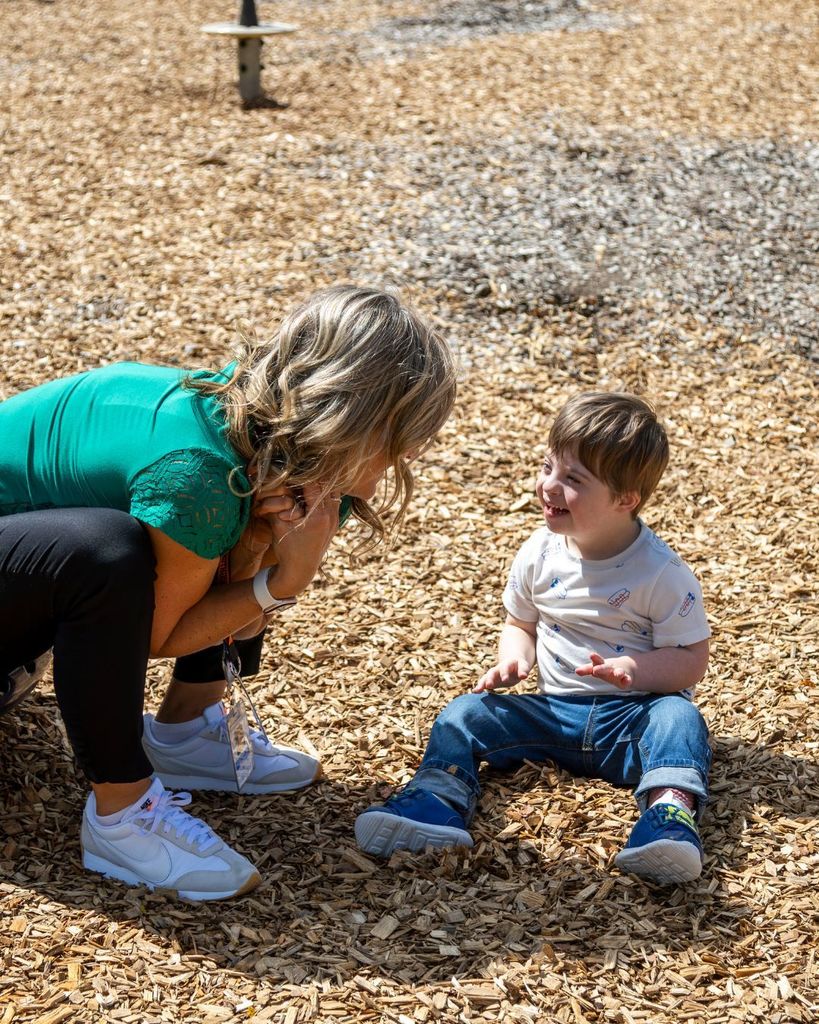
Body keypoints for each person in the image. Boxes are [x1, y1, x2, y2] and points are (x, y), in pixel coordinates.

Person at [0, 285, 456, 900]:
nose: (388, 475)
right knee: (104, 552)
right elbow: (156, 636)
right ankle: (121, 814)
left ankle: (187, 732)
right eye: (398, 442)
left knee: (242, 521)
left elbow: (214, 582)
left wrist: (261, 550)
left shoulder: (262, 430)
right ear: (351, 418)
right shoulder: (198, 472)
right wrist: (284, 580)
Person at [356, 392, 712, 885]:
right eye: (548, 467)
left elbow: (692, 659)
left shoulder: (661, 573)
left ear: (625, 499)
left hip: (631, 720)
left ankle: (668, 816)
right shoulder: (540, 553)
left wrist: (637, 671)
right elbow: (519, 623)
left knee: (680, 718)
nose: (548, 485)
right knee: (465, 712)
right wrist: (513, 661)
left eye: (573, 480)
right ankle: (438, 798)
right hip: (553, 714)